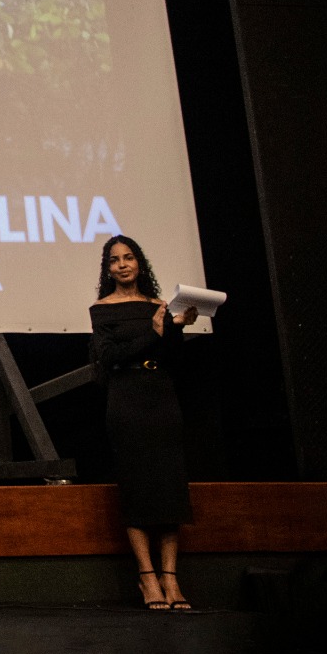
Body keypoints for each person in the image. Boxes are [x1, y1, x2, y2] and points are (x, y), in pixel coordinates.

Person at [89, 234, 198, 611]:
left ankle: (171, 578)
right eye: (114, 260)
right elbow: (108, 358)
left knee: (169, 486)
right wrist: (152, 332)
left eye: (129, 257)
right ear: (108, 269)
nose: (122, 264)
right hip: (126, 397)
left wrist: (177, 327)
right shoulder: (102, 309)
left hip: (161, 395)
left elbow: (173, 358)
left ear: (139, 263)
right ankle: (147, 577)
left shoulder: (160, 305)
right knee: (137, 486)